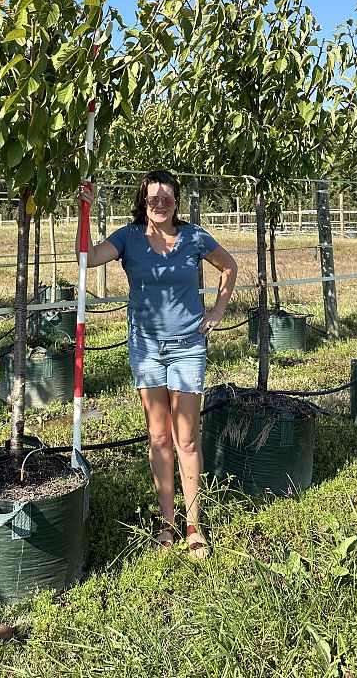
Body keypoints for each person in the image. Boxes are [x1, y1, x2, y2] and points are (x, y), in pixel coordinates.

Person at [77, 168, 238, 560]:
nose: (160, 203)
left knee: (185, 438)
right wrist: (84, 209)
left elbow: (229, 266)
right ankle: (167, 521)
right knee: (159, 437)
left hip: (187, 347)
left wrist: (217, 310)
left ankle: (193, 525)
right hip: (146, 348)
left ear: (176, 200)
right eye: (153, 198)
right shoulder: (129, 237)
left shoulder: (194, 236)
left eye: (167, 197)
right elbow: (87, 258)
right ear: (142, 202)